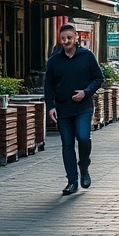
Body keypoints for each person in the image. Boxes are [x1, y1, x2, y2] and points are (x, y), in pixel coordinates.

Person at [44, 23, 104, 196]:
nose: (66, 41)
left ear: (76, 37)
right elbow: (48, 86)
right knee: (67, 145)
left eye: (69, 38)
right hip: (63, 109)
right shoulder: (54, 61)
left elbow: (98, 78)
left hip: (83, 107)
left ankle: (84, 166)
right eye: (63, 38)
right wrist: (51, 107)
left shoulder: (87, 56)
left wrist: (85, 92)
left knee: (83, 137)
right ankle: (72, 181)